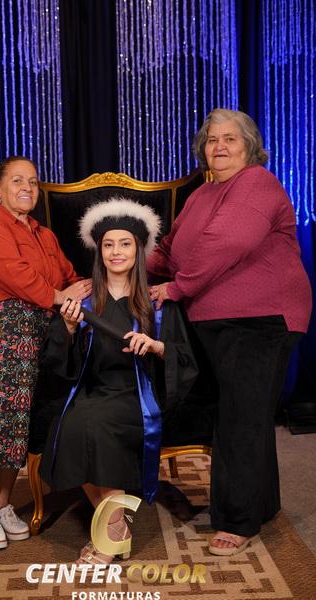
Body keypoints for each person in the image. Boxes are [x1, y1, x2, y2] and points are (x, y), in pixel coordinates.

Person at [147, 108, 312, 556]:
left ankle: (237, 520)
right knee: (243, 414)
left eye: (230, 139)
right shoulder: (203, 194)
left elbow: (226, 243)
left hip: (260, 318)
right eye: (211, 139)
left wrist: (176, 287)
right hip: (215, 320)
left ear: (249, 147)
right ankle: (262, 505)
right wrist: (121, 266)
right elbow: (170, 250)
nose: (218, 146)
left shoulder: (257, 182)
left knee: (240, 417)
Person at [39, 198, 198, 564]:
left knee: (98, 424)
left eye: (125, 244)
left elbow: (185, 359)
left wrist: (156, 346)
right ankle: (116, 526)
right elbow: (56, 362)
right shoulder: (84, 300)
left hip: (136, 394)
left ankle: (109, 536)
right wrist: (67, 327)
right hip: (91, 388)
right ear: (99, 251)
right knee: (72, 424)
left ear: (138, 250)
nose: (115, 251)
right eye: (108, 244)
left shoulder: (155, 302)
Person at [0, 155, 91, 550]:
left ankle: (3, 504)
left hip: (35, 336)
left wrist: (102, 286)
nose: (27, 188)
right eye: (17, 180)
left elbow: (69, 276)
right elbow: (18, 278)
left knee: (18, 427)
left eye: (33, 182)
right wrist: (63, 297)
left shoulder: (44, 235)